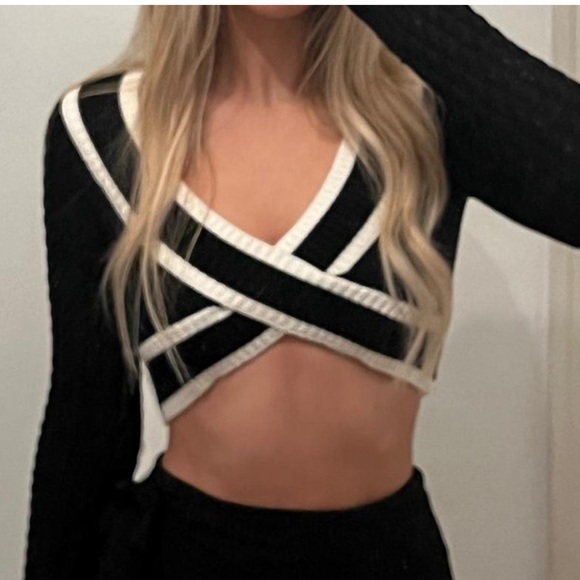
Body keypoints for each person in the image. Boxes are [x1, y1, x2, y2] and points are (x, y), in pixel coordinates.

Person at [24, 5, 580, 580]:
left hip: (387, 559)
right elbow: (84, 427)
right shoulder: (107, 127)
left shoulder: (423, 115)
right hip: (186, 554)